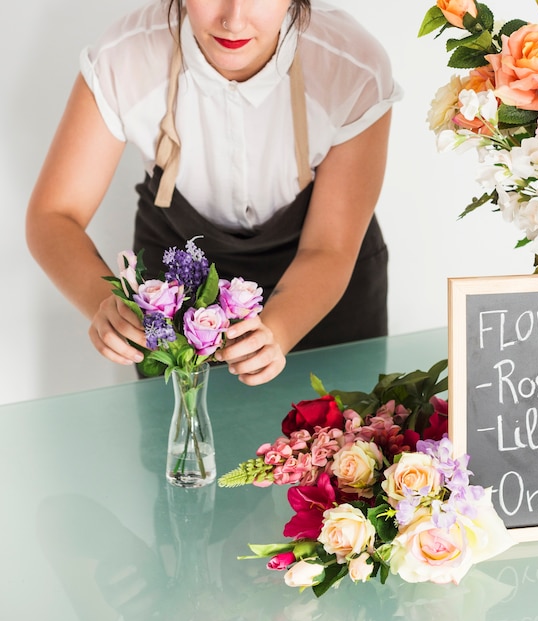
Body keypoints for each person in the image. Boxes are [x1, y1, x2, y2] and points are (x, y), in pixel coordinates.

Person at [26, 0, 402, 386]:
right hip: (178, 284)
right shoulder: (124, 56)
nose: (233, 19)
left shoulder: (352, 66)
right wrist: (104, 303)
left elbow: (328, 247)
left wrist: (277, 330)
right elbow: (54, 215)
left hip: (324, 288)